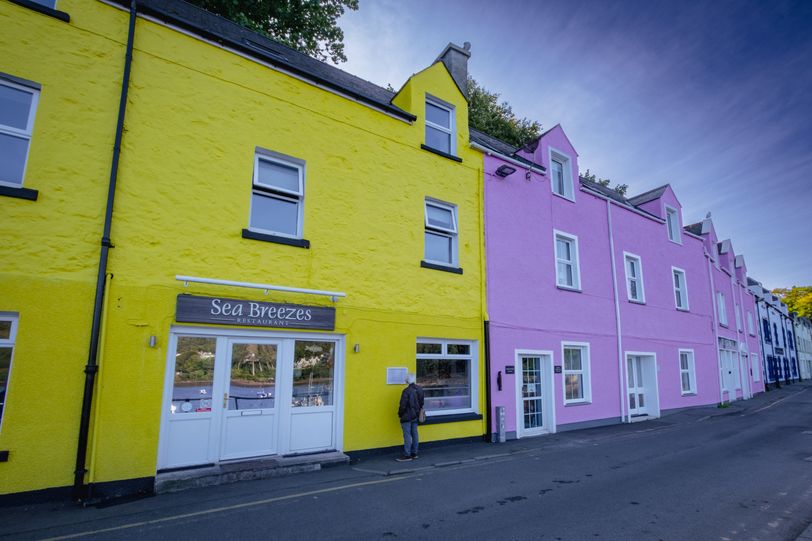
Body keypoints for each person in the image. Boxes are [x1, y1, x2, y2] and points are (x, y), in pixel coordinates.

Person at [396, 373, 424, 461]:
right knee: (415, 434)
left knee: (407, 436)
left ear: (407, 380)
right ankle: (414, 453)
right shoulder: (420, 389)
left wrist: (400, 414)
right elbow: (421, 403)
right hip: (415, 415)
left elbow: (402, 406)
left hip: (407, 416)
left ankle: (407, 455)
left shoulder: (406, 391)